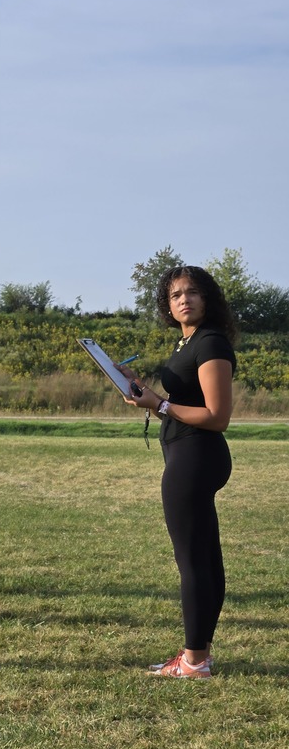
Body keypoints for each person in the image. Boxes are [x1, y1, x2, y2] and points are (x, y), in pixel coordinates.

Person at [124, 265, 237, 679]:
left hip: (197, 455)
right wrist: (144, 389)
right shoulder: (187, 343)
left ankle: (193, 661)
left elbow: (217, 415)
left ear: (207, 298)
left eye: (192, 292)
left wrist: (160, 405)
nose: (183, 299)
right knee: (205, 558)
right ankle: (199, 655)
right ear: (167, 307)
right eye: (175, 295)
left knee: (192, 561)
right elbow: (180, 396)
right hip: (189, 454)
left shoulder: (210, 343)